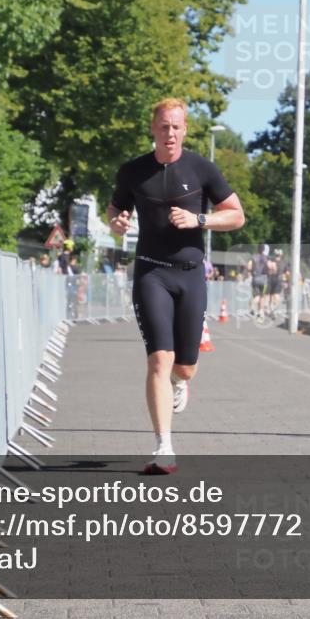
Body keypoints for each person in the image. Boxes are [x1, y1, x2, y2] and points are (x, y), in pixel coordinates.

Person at [107, 98, 245, 474]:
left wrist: (199, 219)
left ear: (185, 130)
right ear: (153, 128)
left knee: (184, 367)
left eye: (176, 127)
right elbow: (115, 211)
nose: (170, 133)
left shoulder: (202, 168)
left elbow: (236, 215)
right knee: (158, 359)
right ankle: (163, 446)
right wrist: (116, 225)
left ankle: (181, 384)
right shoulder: (133, 171)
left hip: (190, 274)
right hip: (152, 272)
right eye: (164, 126)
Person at [248, 243, 270, 318]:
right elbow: (270, 266)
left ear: (258, 249)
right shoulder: (266, 258)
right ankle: (260, 311)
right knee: (262, 296)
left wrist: (252, 272)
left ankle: (253, 307)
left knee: (256, 295)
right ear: (264, 250)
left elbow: (249, 267)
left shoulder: (253, 257)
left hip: (255, 278)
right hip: (264, 279)